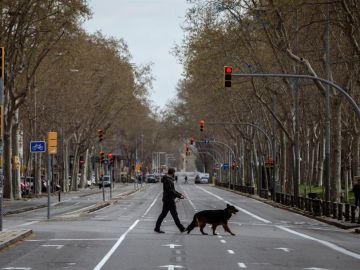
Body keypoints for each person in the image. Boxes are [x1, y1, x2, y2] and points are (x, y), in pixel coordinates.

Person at [154, 168, 186, 233]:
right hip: (168, 200)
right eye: (174, 172)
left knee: (172, 215)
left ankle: (181, 228)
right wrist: (179, 196)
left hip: (169, 200)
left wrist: (180, 194)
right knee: (166, 214)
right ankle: (181, 228)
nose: (175, 174)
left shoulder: (169, 179)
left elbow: (173, 190)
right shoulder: (167, 180)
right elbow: (170, 191)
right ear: (172, 173)